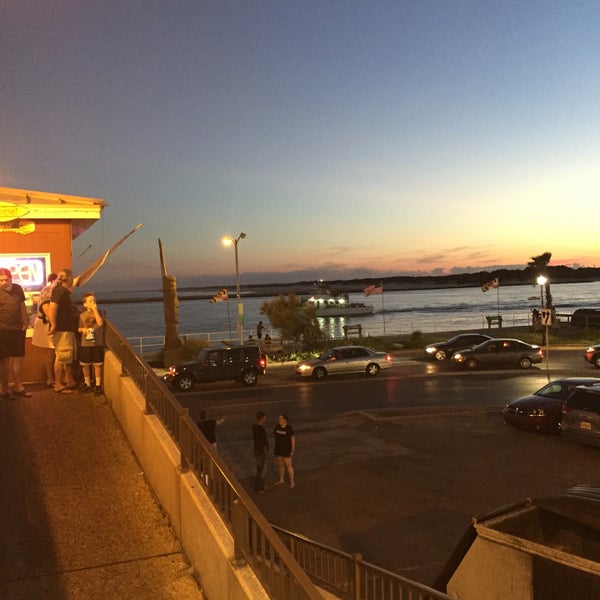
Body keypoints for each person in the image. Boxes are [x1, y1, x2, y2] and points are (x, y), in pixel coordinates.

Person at [0, 268, 30, 398]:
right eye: (1, 280)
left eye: (6, 280)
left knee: (18, 358)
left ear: (11, 279)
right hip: (2, 330)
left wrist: (26, 321)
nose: (4, 282)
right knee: (4, 360)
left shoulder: (18, 288)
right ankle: (4, 388)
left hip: (18, 329)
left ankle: (18, 386)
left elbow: (22, 305)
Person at [47, 269, 78, 394]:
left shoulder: (62, 290)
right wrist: (53, 325)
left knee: (66, 356)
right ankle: (58, 384)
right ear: (69, 278)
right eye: (72, 278)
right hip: (62, 329)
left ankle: (69, 380)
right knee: (61, 357)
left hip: (65, 329)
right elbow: (52, 308)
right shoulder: (60, 291)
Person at [31, 272, 58, 387]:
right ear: (53, 280)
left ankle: (53, 378)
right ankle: (52, 379)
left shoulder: (50, 290)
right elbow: (46, 308)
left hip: (46, 323)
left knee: (52, 352)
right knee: (52, 352)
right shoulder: (48, 290)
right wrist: (54, 324)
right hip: (46, 324)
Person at [78, 293, 104, 395]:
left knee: (97, 365)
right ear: (85, 304)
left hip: (97, 343)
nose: (93, 302)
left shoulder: (99, 313)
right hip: (85, 343)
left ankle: (98, 385)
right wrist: (83, 330)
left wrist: (95, 310)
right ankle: (87, 383)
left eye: (94, 300)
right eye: (90, 301)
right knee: (85, 364)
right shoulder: (82, 315)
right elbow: (79, 328)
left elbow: (100, 323)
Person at [273, 414, 295, 488]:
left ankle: (292, 481)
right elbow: (275, 435)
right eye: (279, 419)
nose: (279, 420)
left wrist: (292, 449)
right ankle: (281, 479)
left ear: (285, 420)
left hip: (286, 450)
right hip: (278, 450)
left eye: (281, 419)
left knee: (289, 466)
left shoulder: (289, 428)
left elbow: (292, 439)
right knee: (280, 465)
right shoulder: (277, 427)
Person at [252, 411, 269, 494]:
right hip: (261, 452)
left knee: (259, 469)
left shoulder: (254, 427)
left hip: (256, 450)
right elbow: (263, 442)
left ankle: (261, 485)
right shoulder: (261, 429)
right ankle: (258, 487)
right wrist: (265, 452)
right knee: (261, 470)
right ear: (263, 418)